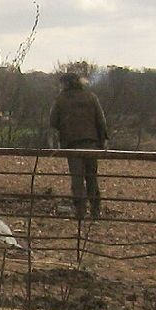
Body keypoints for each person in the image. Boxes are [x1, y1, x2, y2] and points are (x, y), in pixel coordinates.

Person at [49, 72, 109, 218]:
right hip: (90, 142)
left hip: (72, 143)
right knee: (91, 177)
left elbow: (53, 122)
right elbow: (101, 121)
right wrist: (103, 141)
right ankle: (95, 210)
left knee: (77, 179)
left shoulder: (60, 100)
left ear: (64, 84)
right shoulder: (91, 97)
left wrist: (54, 143)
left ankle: (80, 211)